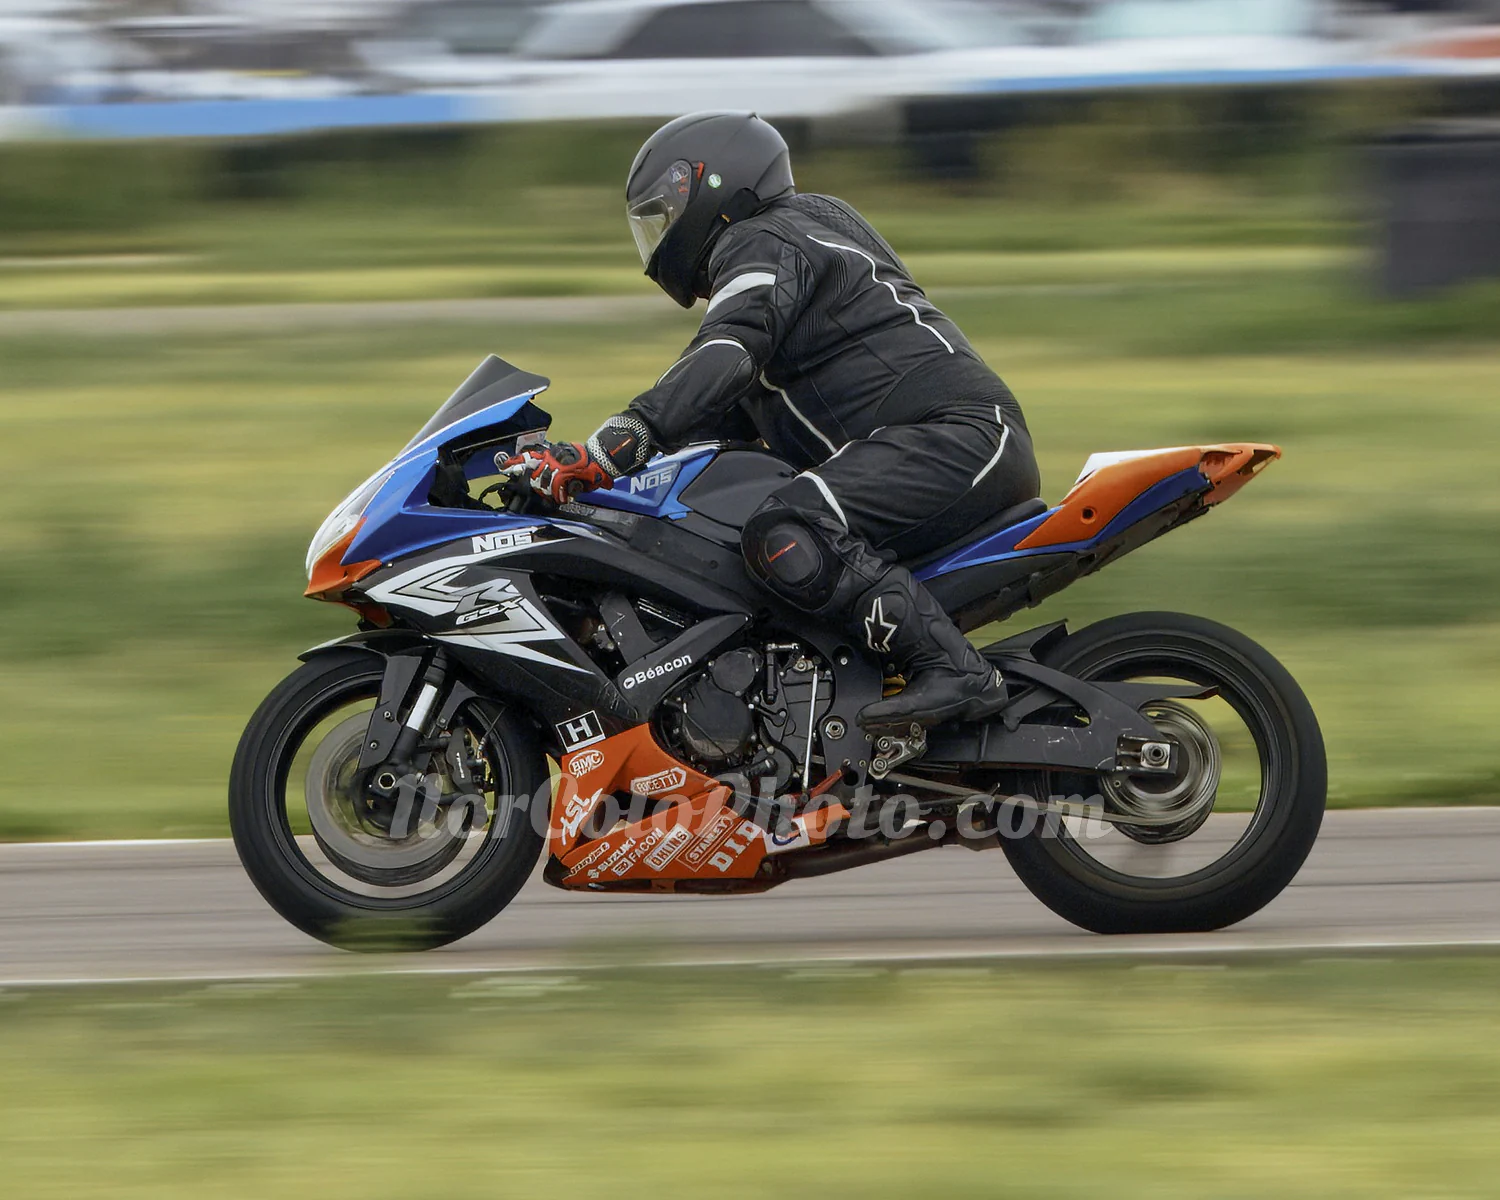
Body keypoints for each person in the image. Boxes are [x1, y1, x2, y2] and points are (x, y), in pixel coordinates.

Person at [502, 111, 1041, 730]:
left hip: (954, 436)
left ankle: (955, 671)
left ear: (711, 186)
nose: (659, 239)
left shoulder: (767, 237)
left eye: (664, 214)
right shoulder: (798, 238)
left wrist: (608, 448)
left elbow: (726, 353)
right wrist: (593, 483)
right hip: (949, 441)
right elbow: (716, 412)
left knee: (785, 526)